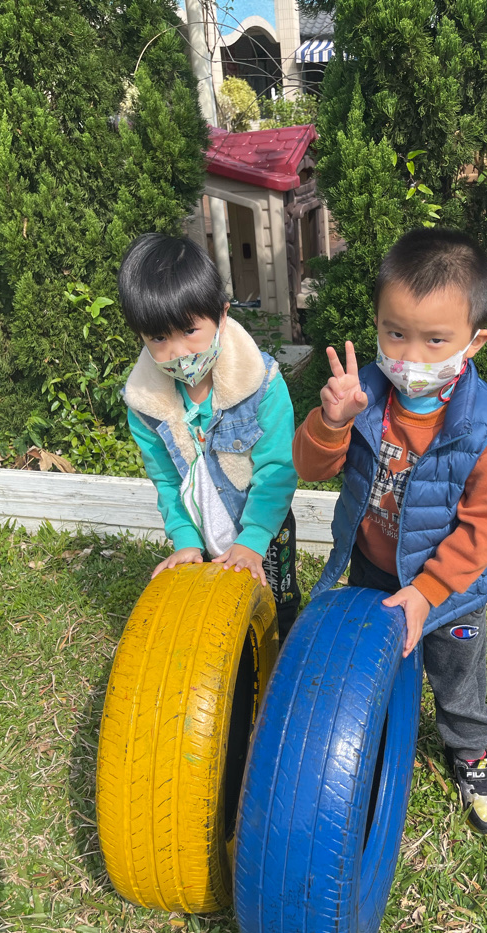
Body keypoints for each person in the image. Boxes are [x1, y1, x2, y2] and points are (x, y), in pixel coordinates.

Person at [293, 228, 487, 833]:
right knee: (372, 662)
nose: (412, 357)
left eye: (435, 339)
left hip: (449, 591)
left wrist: (428, 593)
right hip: (372, 566)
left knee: (457, 673)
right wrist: (332, 422)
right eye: (395, 334)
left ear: (473, 341)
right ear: (376, 323)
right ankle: (364, 737)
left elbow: (485, 528)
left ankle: (470, 751)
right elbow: (310, 467)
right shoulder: (362, 397)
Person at [118, 232, 300, 640]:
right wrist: (185, 540)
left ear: (221, 314)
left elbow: (278, 469)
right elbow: (167, 480)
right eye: (158, 338)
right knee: (211, 619)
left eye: (189, 330)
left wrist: (254, 539)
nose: (178, 352)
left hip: (264, 528)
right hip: (201, 529)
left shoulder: (262, 384)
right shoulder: (146, 406)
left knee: (276, 608)